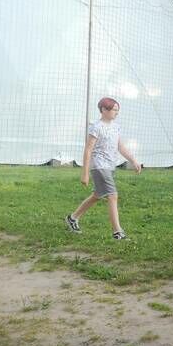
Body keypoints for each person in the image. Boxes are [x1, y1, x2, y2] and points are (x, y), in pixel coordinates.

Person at [65, 97, 141, 240]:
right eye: (114, 110)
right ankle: (117, 232)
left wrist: (133, 160)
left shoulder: (116, 127)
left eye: (118, 110)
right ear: (104, 110)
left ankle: (72, 218)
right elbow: (88, 150)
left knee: (97, 195)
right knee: (112, 195)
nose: (117, 113)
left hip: (110, 166)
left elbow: (120, 147)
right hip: (99, 166)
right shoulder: (96, 127)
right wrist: (85, 173)